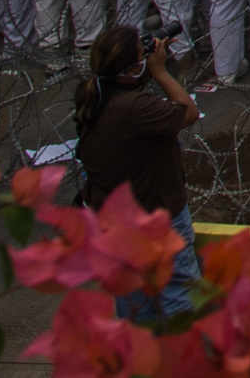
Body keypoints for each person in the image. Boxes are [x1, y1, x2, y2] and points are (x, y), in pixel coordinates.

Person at [71, 25, 202, 323]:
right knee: (180, 299)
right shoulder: (136, 107)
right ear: (133, 68)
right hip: (156, 216)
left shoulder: (94, 94)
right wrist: (160, 70)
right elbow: (188, 112)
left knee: (134, 306)